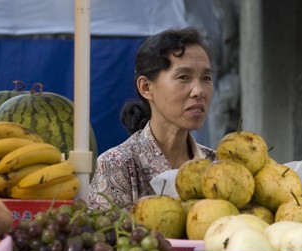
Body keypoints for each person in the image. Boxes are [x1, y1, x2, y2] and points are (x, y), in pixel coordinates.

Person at [89, 27, 217, 210]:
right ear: (146, 87)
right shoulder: (117, 165)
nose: (199, 91)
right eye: (184, 77)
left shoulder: (217, 165)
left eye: (206, 78)